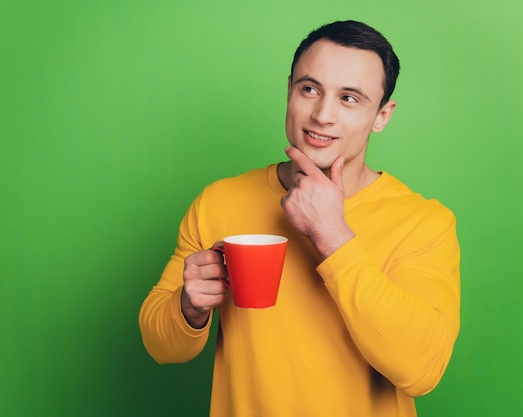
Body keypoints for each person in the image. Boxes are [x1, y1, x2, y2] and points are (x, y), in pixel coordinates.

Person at [139, 20, 460, 417]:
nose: (322, 115)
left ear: (382, 115)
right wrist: (188, 308)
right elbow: (160, 345)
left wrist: (333, 235)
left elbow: (421, 370)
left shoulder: (423, 222)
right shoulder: (218, 202)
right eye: (309, 89)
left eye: (350, 98)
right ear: (289, 90)